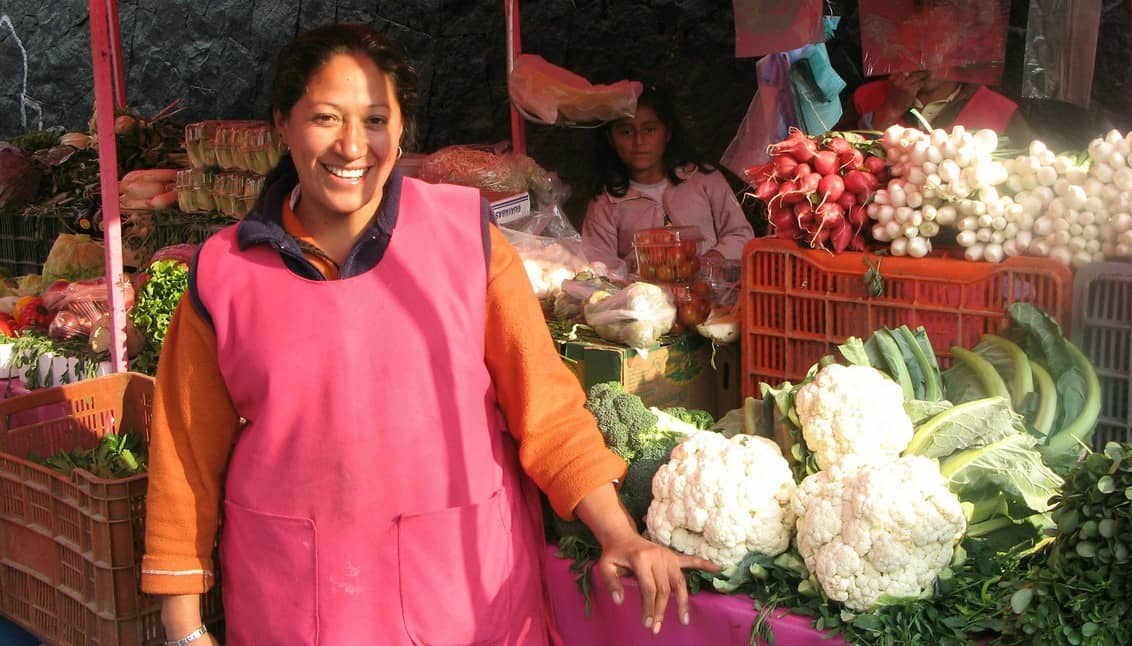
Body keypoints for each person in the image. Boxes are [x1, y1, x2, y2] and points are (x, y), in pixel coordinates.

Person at [140, 24, 716, 646]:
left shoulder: (465, 240)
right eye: (326, 118)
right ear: (283, 123)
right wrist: (183, 629)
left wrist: (619, 533)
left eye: (376, 119)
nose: (352, 145)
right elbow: (183, 460)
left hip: (463, 600)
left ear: (402, 128)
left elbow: (547, 412)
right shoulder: (224, 274)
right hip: (295, 604)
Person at [581, 87, 755, 271]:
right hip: (643, 297)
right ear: (610, 138)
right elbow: (599, 264)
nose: (639, 141)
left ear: (667, 133)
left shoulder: (704, 179)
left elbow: (741, 234)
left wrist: (711, 261)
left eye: (650, 129)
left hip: (708, 296)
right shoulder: (605, 202)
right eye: (626, 131)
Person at [836, 70, 1032, 145]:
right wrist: (889, 111)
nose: (922, 59)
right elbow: (835, 163)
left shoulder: (1001, 112)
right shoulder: (866, 97)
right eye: (913, 44)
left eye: (935, 47)